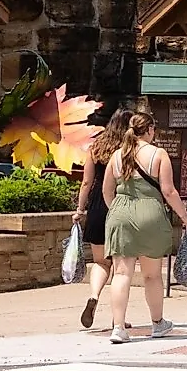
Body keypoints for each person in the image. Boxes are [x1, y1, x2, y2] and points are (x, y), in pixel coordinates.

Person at [100, 110, 187, 345]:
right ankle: (158, 323)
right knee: (151, 275)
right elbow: (169, 191)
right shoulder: (159, 154)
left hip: (120, 212)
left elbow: (106, 191)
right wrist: (184, 215)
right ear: (149, 130)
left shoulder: (116, 156)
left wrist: (117, 209)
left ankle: (118, 327)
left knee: (121, 273)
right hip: (150, 212)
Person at [75, 111, 131, 330]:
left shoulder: (96, 147)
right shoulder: (127, 151)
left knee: (100, 262)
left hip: (97, 205)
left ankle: (93, 295)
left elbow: (86, 182)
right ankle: (117, 318)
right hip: (121, 203)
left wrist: (80, 208)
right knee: (120, 267)